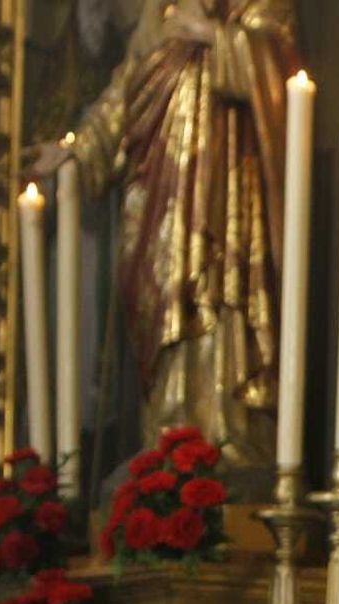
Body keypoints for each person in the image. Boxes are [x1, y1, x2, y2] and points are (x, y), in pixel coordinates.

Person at [23, 0, 298, 488]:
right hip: (160, 199)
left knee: (221, 302)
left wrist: (213, 36)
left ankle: (228, 436)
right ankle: (168, 437)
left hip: (227, 192)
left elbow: (283, 70)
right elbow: (125, 92)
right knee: (164, 307)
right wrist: (73, 152)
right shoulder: (160, 11)